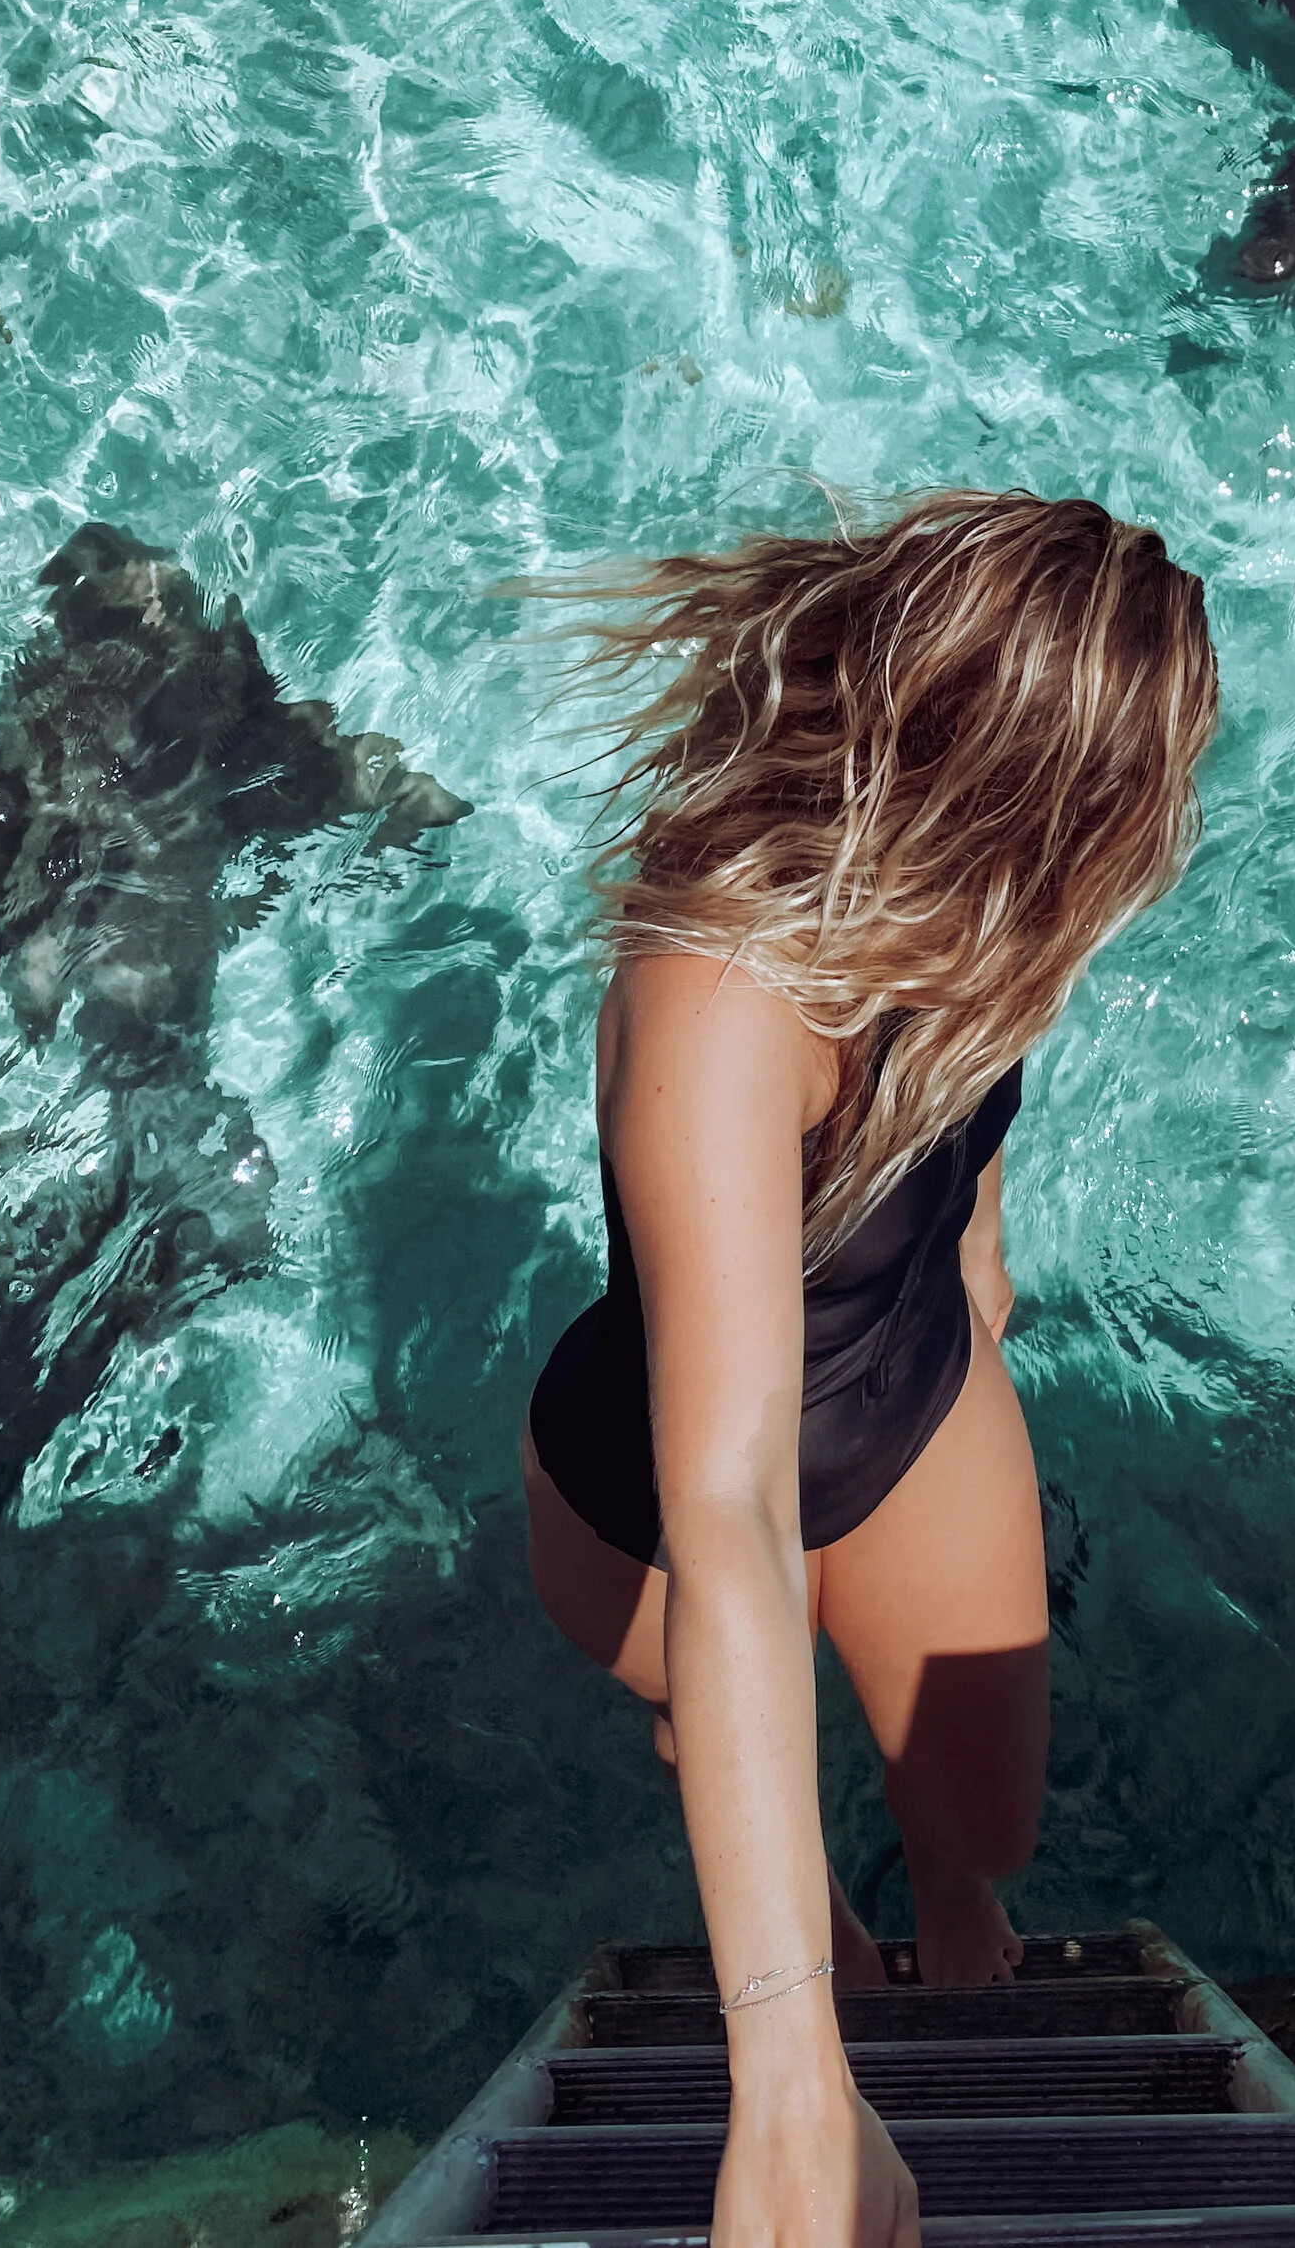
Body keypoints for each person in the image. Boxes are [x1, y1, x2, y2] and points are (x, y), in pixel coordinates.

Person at [521, 488, 1219, 2248]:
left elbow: (968, 1165)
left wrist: (982, 1292)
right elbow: (731, 1503)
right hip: (663, 1467)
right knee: (717, 1704)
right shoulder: (722, 987)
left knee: (981, 1805)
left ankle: (939, 1886)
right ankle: (817, 1938)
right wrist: (791, 2084)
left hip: (905, 1397)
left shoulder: (994, 908)